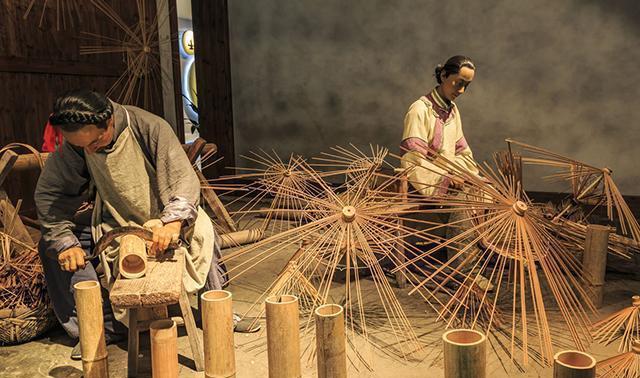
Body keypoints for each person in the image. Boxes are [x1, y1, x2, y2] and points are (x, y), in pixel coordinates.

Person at [35, 89, 227, 359]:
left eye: (96, 141)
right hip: (115, 221)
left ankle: (217, 309)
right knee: (52, 245)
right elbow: (51, 194)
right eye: (83, 146)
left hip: (165, 216)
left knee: (205, 232)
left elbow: (182, 181)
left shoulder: (149, 127)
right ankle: (97, 327)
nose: (90, 149)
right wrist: (64, 242)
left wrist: (172, 223)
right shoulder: (78, 147)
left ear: (110, 121)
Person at [400, 55, 492, 290]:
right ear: (443, 76)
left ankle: (476, 255)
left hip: (448, 179)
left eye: (466, 86)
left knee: (484, 191)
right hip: (419, 184)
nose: (461, 90)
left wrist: (472, 176)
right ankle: (464, 272)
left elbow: (461, 152)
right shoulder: (419, 109)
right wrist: (447, 179)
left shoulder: (452, 112)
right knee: (463, 202)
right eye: (458, 83)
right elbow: (413, 158)